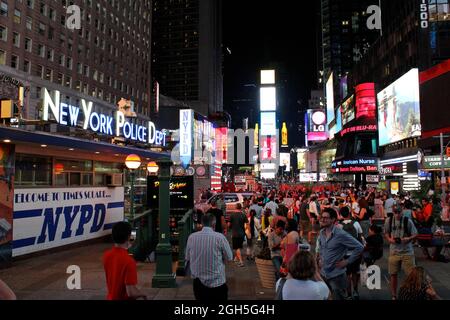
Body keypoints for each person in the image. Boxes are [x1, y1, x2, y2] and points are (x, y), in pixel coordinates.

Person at [317, 208, 364, 300]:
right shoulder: (322, 233)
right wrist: (319, 259)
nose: (322, 219)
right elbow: (322, 248)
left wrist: (347, 261)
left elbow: (359, 247)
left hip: (336, 276)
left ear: (333, 219)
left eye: (326, 218)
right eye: (322, 217)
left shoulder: (340, 234)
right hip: (323, 274)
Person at [186, 214, 233, 302]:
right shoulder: (220, 237)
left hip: (198, 283)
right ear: (214, 225)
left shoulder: (191, 237)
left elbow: (187, 257)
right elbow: (229, 257)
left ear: (202, 224)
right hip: (217, 282)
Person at [103, 221, 147, 300]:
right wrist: (143, 294)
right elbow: (130, 292)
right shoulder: (129, 261)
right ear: (128, 237)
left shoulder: (106, 255)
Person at [384, 204, 418, 300]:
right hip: (394, 252)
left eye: (399, 212)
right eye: (395, 212)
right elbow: (386, 233)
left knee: (411, 275)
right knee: (393, 274)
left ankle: (412, 294)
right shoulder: (388, 221)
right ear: (393, 212)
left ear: (402, 211)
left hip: (407, 251)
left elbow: (415, 234)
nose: (397, 214)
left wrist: (408, 238)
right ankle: (394, 295)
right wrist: (389, 239)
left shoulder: (408, 221)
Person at [338, 206, 364, 300]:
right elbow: (360, 238)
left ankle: (348, 294)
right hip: (356, 253)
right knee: (355, 273)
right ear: (349, 213)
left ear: (341, 215)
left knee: (347, 275)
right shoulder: (356, 223)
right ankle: (356, 291)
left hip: (344, 254)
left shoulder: (339, 226)